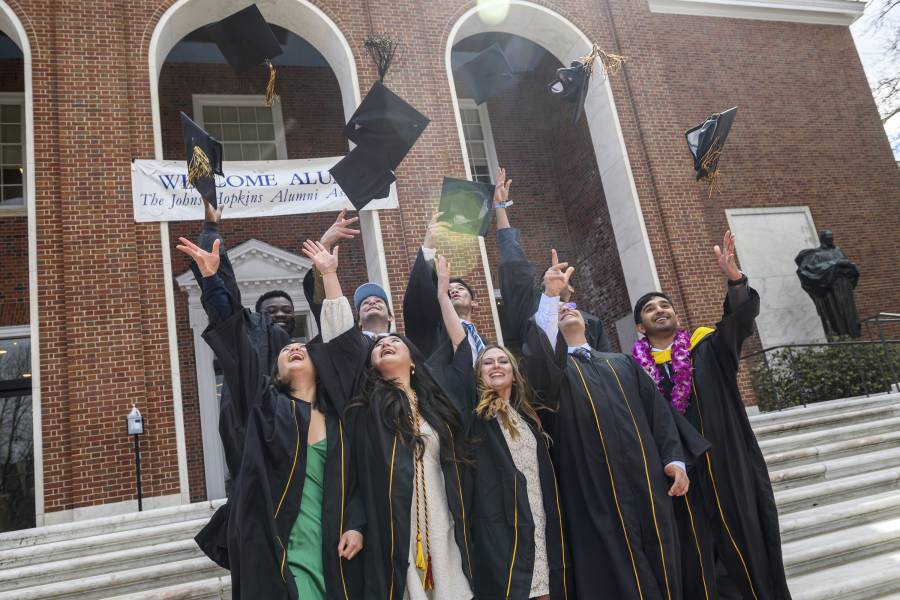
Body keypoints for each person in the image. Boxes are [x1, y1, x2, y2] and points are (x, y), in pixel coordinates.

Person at [177, 236, 365, 600]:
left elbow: (358, 478)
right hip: (276, 546)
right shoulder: (265, 407)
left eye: (301, 347)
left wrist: (357, 525)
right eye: (285, 351)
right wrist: (214, 282)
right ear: (274, 373)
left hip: (333, 546)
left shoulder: (340, 417)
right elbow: (234, 342)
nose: (294, 346)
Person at [521, 250, 708, 600]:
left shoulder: (621, 362)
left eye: (571, 307)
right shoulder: (551, 376)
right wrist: (549, 296)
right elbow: (540, 352)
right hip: (593, 490)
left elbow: (660, 416)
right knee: (615, 573)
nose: (568, 310)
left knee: (663, 563)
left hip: (647, 482)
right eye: (559, 313)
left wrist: (675, 459)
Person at [632, 231, 790, 600]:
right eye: (650, 308)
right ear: (640, 326)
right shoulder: (632, 371)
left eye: (664, 304)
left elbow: (737, 321)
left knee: (744, 545)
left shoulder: (708, 348)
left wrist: (734, 278)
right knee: (696, 559)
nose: (660, 309)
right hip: (676, 477)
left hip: (726, 465)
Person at [348, 255, 475, 600]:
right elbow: (355, 472)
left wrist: (441, 297)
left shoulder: (436, 400)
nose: (386, 344)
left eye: (394, 342)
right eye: (378, 347)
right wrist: (355, 523)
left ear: (414, 360)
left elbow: (461, 349)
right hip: (395, 521)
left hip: (444, 514)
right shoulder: (366, 410)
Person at [188, 201, 292, 484]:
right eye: (271, 311)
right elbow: (225, 295)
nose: (280, 314)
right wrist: (211, 229)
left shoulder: (300, 359)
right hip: (249, 432)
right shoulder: (250, 333)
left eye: (287, 310)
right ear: (256, 317)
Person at [470, 343, 570, 600]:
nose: (495, 366)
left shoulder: (526, 417)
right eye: (487, 362)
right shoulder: (475, 416)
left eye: (503, 361)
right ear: (478, 374)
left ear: (514, 374)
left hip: (539, 517)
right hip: (505, 522)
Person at [492, 167, 610, 353]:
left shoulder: (592, 323)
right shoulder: (530, 309)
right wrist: (500, 208)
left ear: (571, 288)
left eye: (561, 274)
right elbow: (515, 264)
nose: (555, 277)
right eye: (548, 276)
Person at [403, 213, 485, 363]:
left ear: (474, 303)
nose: (453, 291)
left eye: (460, 288)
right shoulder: (432, 333)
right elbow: (417, 299)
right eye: (449, 291)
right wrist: (428, 248)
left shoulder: (486, 345)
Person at [303, 209, 395, 339]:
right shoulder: (350, 346)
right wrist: (324, 246)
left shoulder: (405, 347)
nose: (372, 302)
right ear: (358, 322)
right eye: (365, 303)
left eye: (379, 301)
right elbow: (330, 310)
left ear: (391, 316)